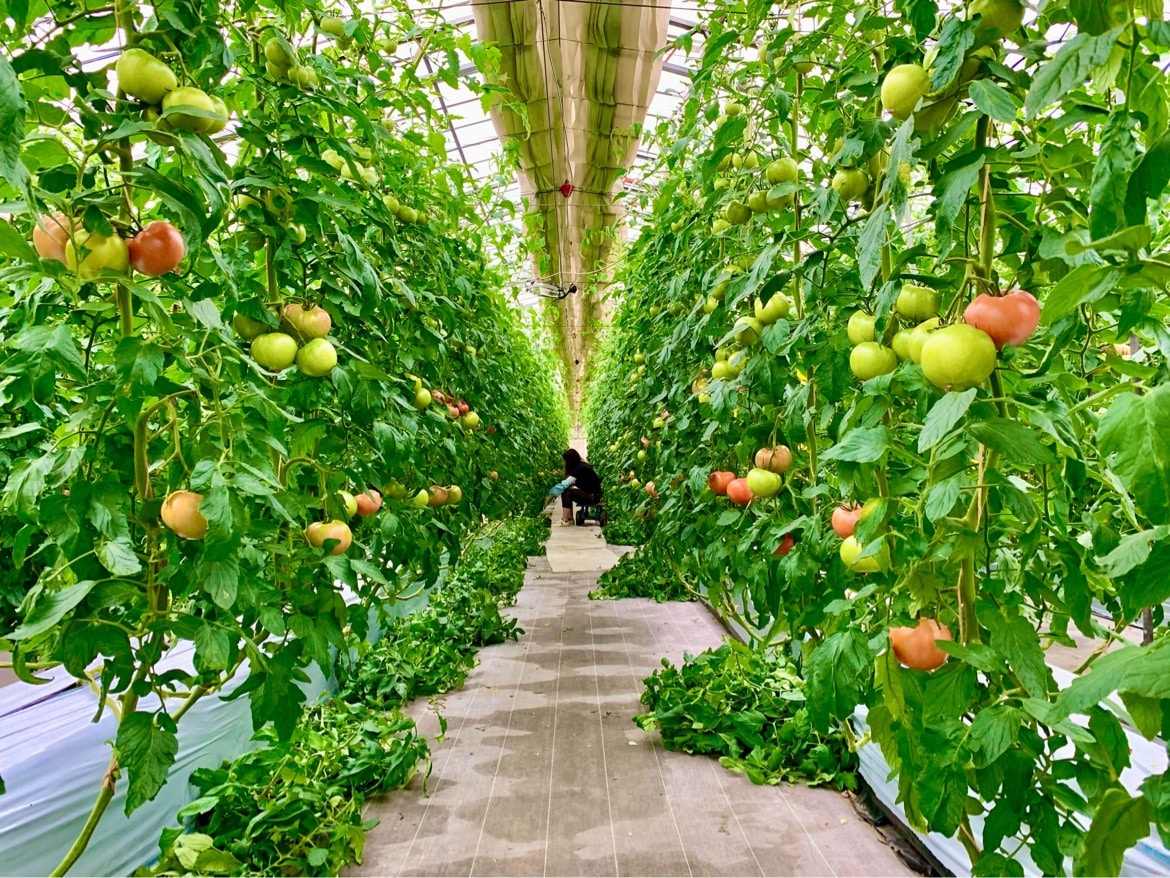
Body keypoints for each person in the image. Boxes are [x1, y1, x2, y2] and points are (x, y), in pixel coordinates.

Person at [548, 448, 602, 525]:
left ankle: (565, 520)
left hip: (592, 496)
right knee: (568, 491)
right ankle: (569, 519)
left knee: (566, 492)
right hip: (593, 495)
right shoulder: (581, 466)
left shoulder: (579, 468)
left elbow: (565, 484)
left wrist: (551, 494)